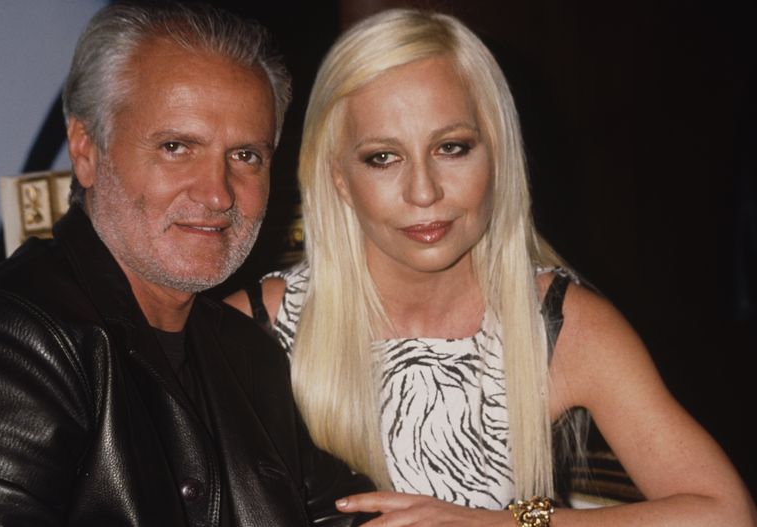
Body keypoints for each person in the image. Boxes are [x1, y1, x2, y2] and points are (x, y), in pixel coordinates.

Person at [227, 8, 757, 526]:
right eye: (383, 157)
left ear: (498, 154)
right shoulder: (253, 330)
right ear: (339, 177)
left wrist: (501, 523)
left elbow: (724, 512)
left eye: (451, 148)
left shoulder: (559, 324)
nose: (424, 191)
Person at [0, 3, 375, 526]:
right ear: (86, 151)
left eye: (246, 156)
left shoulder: (247, 355)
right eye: (176, 147)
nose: (217, 193)